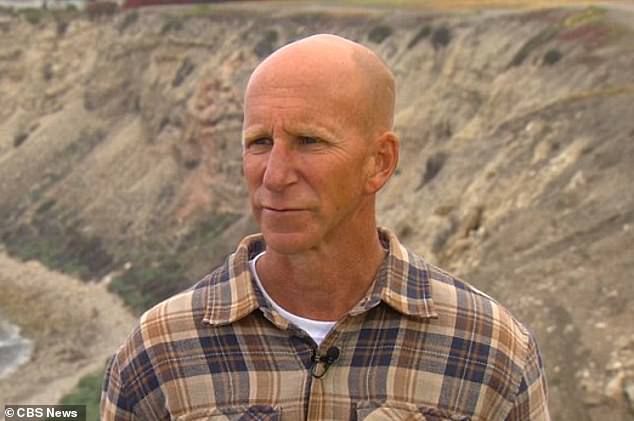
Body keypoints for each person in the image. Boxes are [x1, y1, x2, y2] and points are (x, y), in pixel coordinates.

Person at [101, 34, 549, 420]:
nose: (274, 176)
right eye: (260, 142)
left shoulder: (488, 348)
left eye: (308, 141)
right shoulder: (161, 349)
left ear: (379, 162)